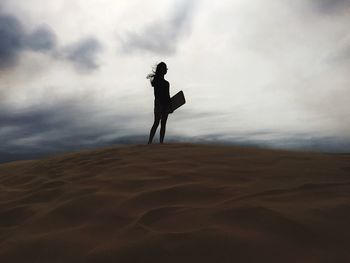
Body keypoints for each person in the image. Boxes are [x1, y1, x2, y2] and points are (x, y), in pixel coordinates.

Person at [147, 62, 172, 144]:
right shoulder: (157, 82)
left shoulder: (166, 83)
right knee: (157, 122)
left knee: (163, 123)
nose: (165, 70)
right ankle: (150, 142)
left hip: (165, 105)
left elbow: (168, 96)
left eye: (166, 68)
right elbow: (157, 95)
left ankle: (161, 143)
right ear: (161, 70)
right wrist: (160, 105)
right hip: (159, 105)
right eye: (164, 68)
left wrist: (170, 107)